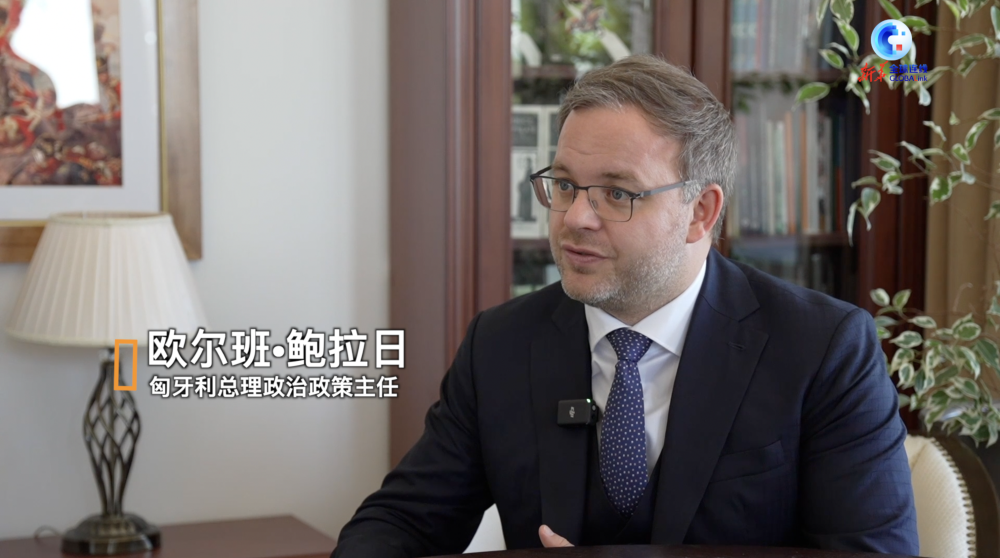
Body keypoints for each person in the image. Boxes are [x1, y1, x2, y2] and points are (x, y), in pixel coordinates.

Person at [332, 55, 918, 558]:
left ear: (700, 213)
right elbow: (400, 522)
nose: (575, 218)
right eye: (565, 185)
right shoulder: (501, 344)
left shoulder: (823, 349)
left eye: (616, 193)